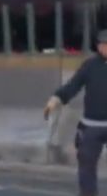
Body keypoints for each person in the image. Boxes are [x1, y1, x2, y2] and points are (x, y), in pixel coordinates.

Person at [44, 30, 107, 196]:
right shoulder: (90, 66)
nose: (105, 48)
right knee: (86, 164)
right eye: (102, 45)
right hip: (91, 125)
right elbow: (73, 85)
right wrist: (56, 98)